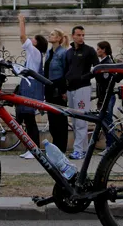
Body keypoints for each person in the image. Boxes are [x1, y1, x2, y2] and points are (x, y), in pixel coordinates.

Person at [15, 15, 48, 159]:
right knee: (28, 120)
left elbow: (22, 36)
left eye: (34, 38)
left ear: (37, 43)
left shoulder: (35, 52)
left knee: (30, 120)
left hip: (30, 88)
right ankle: (31, 148)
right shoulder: (33, 53)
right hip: (28, 87)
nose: (31, 39)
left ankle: (34, 149)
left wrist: (21, 21)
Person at [63, 26, 99, 160]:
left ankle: (78, 150)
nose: (81, 37)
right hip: (70, 89)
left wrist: (84, 77)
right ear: (73, 36)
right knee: (74, 120)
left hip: (83, 88)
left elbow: (96, 68)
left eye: (83, 35)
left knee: (81, 121)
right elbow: (67, 69)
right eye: (78, 35)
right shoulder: (69, 52)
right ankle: (83, 149)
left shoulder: (89, 51)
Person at [43, 29, 69, 148]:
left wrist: (64, 90)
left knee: (60, 118)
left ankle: (61, 145)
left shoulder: (63, 53)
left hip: (58, 86)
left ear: (58, 38)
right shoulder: (49, 52)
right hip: (49, 86)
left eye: (52, 34)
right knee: (52, 118)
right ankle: (55, 144)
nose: (50, 35)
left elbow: (66, 72)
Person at [94, 41, 117, 150]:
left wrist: (96, 73)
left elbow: (105, 79)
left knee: (107, 121)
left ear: (103, 50)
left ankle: (111, 145)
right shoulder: (104, 62)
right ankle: (109, 145)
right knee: (105, 121)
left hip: (107, 96)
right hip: (103, 95)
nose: (97, 51)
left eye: (98, 49)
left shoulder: (107, 63)